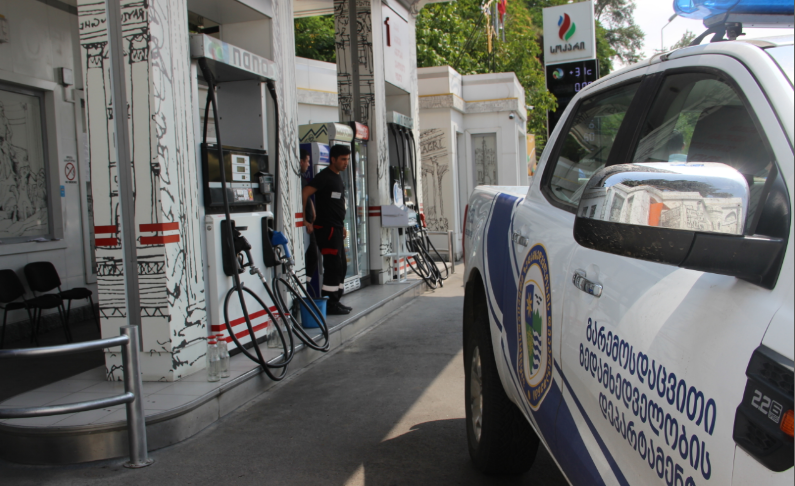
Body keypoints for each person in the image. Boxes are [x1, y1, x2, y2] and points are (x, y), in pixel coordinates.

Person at [302, 144, 352, 315]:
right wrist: (304, 219)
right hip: (326, 229)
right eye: (343, 159)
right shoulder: (324, 176)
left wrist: (342, 225)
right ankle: (329, 304)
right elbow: (305, 192)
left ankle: (336, 300)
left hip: (337, 228)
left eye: (347, 159)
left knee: (341, 266)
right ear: (333, 159)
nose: (346, 163)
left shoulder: (337, 177)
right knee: (333, 266)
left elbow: (336, 204)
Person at [300, 149, 321, 292]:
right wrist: (304, 220)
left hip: (309, 222)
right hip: (305, 224)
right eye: (307, 161)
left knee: (312, 256)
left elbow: (306, 197)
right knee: (312, 256)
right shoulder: (297, 179)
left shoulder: (302, 179)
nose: (308, 164)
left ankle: (305, 284)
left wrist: (312, 208)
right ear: (301, 161)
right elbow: (300, 199)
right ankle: (304, 285)